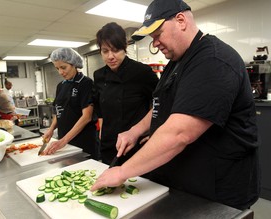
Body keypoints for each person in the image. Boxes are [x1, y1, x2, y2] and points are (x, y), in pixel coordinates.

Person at [91, 0, 260, 210]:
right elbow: (162, 103)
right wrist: (135, 131)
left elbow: (179, 133)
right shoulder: (177, 61)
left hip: (217, 191)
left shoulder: (213, 60)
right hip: (185, 181)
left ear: (180, 20)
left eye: (158, 34)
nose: (155, 44)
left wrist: (122, 172)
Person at [93, 22, 159, 165]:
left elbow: (161, 103)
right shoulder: (98, 76)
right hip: (108, 144)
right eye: (105, 51)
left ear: (125, 47)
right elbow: (99, 108)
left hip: (136, 146)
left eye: (115, 50)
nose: (110, 56)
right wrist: (102, 131)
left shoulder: (142, 73)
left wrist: (154, 132)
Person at [41, 48, 97, 159]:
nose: (60, 72)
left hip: (82, 140)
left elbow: (87, 117)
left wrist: (64, 141)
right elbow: (59, 111)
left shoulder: (86, 83)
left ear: (74, 64)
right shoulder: (60, 85)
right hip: (64, 140)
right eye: (57, 68)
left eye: (63, 67)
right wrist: (51, 129)